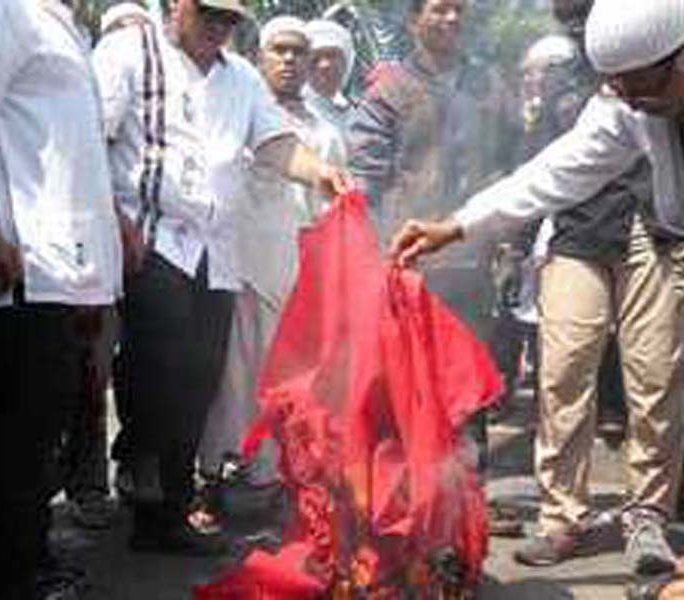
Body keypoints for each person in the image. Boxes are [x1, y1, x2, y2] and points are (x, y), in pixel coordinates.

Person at [391, 0, 684, 598]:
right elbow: (567, 164)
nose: (633, 103)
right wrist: (459, 224)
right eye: (619, 89)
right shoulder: (637, 84)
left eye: (643, 89)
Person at [93, 0, 349, 555]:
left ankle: (169, 508)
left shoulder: (241, 79)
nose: (217, 27)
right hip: (151, 237)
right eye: (208, 13)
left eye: (229, 19)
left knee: (201, 379)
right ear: (178, 6)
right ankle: (141, 479)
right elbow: (91, 137)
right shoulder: (129, 53)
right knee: (161, 362)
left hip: (218, 249)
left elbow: (275, 143)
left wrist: (319, 172)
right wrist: (113, 219)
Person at [0, 0, 123, 596]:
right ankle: (6, 580)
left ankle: (29, 563)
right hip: (21, 265)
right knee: (15, 443)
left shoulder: (63, 23)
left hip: (64, 269)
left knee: (43, 436)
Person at [510, 31, 684, 577]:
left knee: (656, 374)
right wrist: (518, 242)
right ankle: (562, 516)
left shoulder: (671, 49)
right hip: (578, 231)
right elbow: (541, 167)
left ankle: (646, 517)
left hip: (659, 227)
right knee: (563, 371)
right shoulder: (564, 79)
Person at [348, 0, 516, 480]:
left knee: (471, 380)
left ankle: (465, 497)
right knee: (410, 381)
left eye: (459, 10)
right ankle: (410, 496)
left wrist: (507, 239)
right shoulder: (389, 89)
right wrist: (375, 251)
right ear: (413, 20)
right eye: (440, 9)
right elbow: (366, 176)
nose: (452, 19)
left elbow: (512, 162)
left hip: (473, 258)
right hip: (409, 262)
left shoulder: (490, 86)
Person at [196, 15, 344, 496]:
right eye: (278, 50)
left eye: (298, 51)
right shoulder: (235, 111)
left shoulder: (325, 132)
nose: (289, 60)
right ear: (259, 56)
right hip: (240, 260)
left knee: (291, 375)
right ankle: (213, 472)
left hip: (300, 266)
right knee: (233, 373)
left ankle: (271, 473)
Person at [302, 18, 355, 143]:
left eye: (332, 56)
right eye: (315, 57)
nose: (325, 65)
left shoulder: (356, 112)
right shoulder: (294, 115)